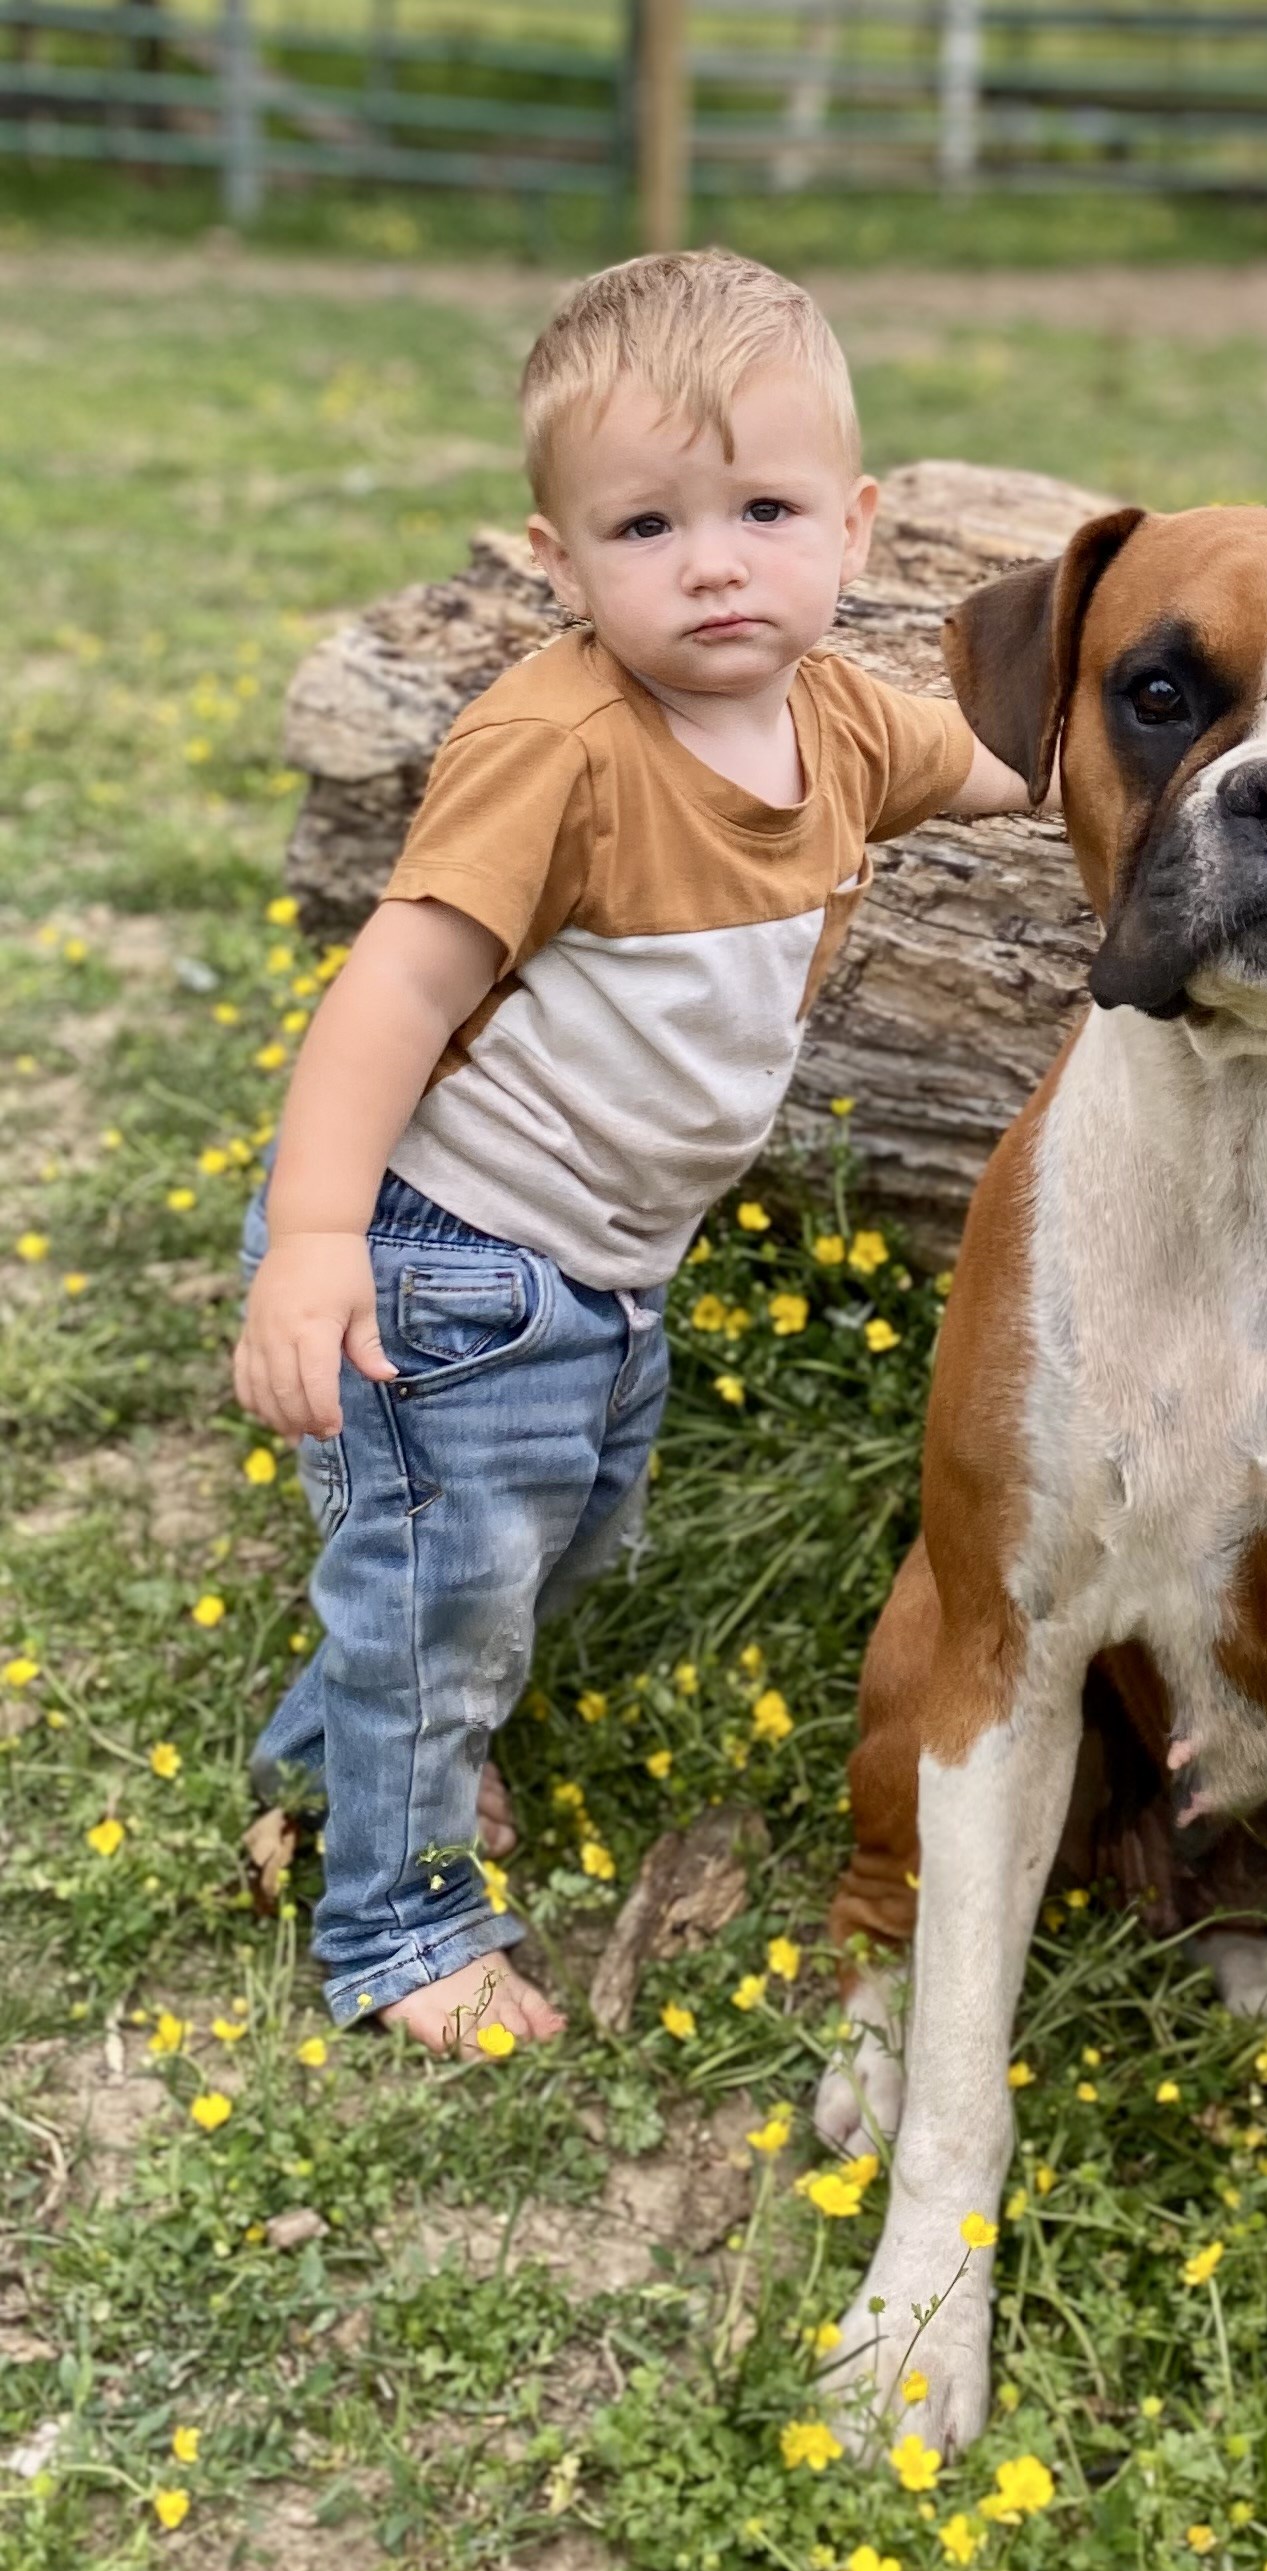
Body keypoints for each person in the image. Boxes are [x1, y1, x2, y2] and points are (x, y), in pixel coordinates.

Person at [233, 249, 1031, 2055]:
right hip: (441, 1263)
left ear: (856, 524)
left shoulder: (838, 720)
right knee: (448, 1590)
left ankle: (348, 1735)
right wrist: (315, 1239)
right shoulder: (561, 747)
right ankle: (400, 1925)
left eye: (765, 510)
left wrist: (1145, 761)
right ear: (559, 560)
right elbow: (391, 990)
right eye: (647, 525)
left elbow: (1001, 767)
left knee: (552, 1548)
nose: (714, 563)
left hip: (597, 1274)